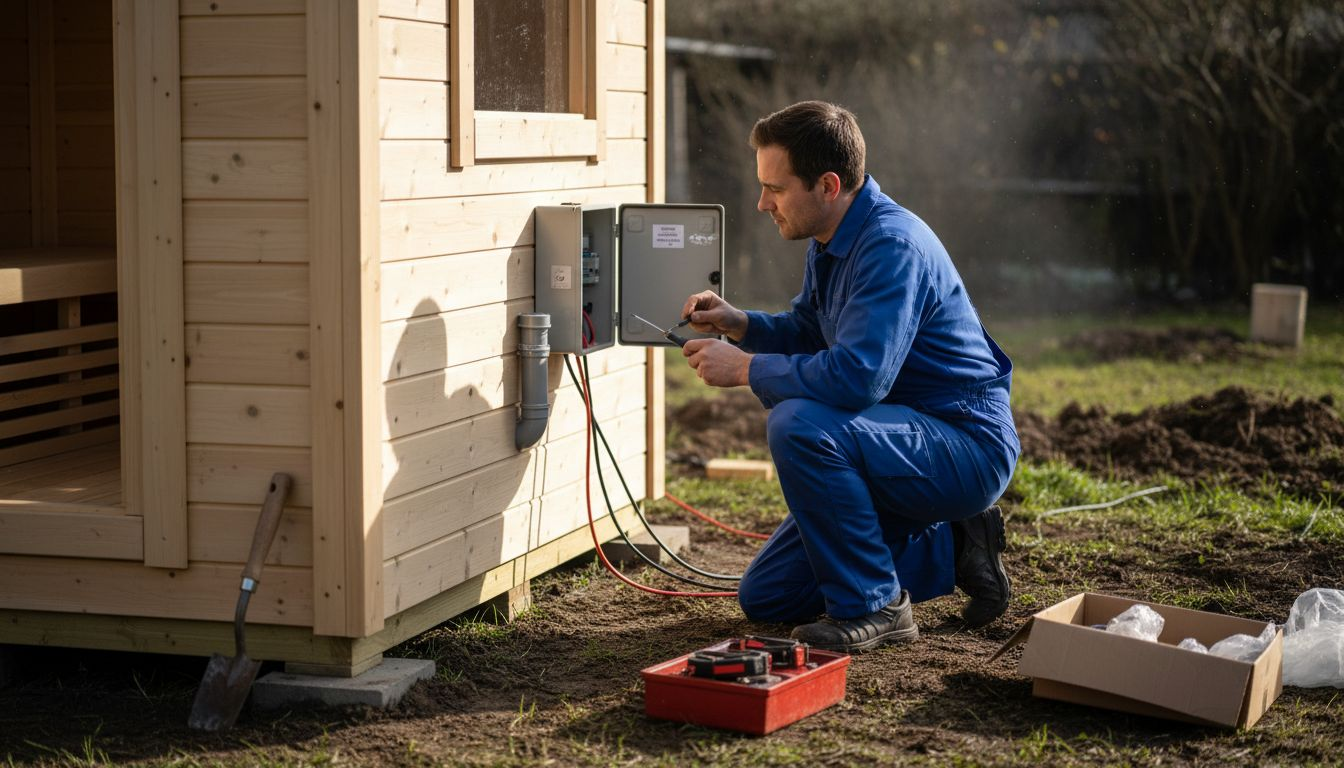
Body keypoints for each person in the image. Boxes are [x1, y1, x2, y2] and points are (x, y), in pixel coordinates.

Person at [679, 100, 1020, 653]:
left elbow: (859, 378)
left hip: (964, 442)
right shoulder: (832, 240)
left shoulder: (891, 247)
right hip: (894, 438)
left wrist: (747, 369)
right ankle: (954, 544)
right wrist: (741, 325)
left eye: (775, 187)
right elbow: (812, 331)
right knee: (767, 596)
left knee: (800, 425)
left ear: (828, 185)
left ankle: (875, 606)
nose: (761, 202)